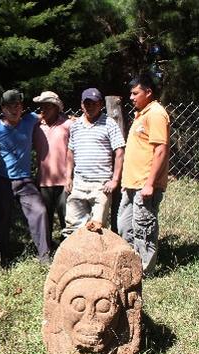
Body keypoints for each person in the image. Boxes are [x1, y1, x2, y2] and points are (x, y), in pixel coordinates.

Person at [0, 89, 50, 264]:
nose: (14, 109)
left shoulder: (29, 120)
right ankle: (3, 256)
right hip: (2, 180)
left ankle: (45, 258)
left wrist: (71, 119)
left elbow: (48, 113)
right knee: (3, 217)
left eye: (18, 105)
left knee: (39, 211)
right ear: (2, 108)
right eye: (10, 106)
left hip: (25, 181)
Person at [118, 74, 170, 274]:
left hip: (145, 186)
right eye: (130, 93)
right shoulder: (141, 114)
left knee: (144, 229)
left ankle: (145, 271)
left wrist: (150, 183)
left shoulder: (156, 113)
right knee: (125, 226)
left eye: (135, 93)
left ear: (148, 92)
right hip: (131, 184)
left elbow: (160, 150)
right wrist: (126, 181)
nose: (131, 97)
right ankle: (130, 267)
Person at [63, 88, 125, 236]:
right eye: (87, 103)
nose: (90, 106)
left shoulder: (109, 124)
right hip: (79, 184)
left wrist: (115, 180)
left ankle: (97, 258)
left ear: (101, 104)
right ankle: (75, 257)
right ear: (82, 105)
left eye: (94, 103)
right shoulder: (76, 125)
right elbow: (70, 152)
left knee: (97, 228)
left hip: (101, 185)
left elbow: (120, 151)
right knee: (73, 227)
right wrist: (68, 177)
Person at [32, 90, 73, 243]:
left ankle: (68, 247)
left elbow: (72, 151)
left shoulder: (68, 125)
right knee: (45, 218)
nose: (43, 110)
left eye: (48, 106)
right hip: (44, 181)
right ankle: (47, 249)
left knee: (67, 217)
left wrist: (70, 176)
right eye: (42, 106)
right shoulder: (36, 127)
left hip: (64, 180)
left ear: (57, 108)